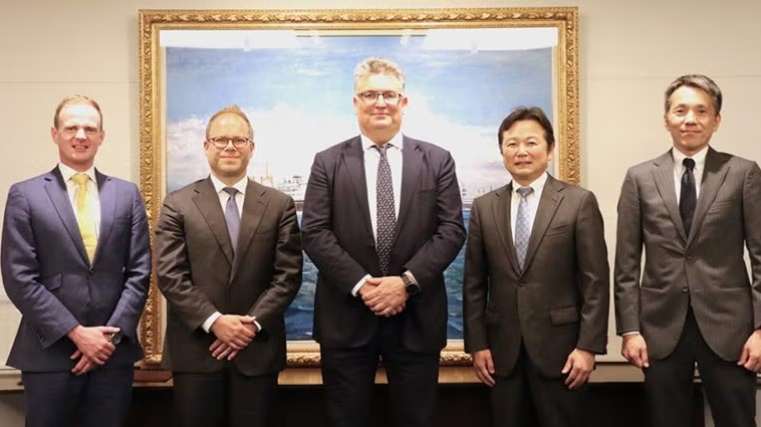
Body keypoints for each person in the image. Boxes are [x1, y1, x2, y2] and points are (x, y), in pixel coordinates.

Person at [301, 57, 466, 427]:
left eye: (389, 94)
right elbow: (314, 231)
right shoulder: (327, 162)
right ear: (355, 102)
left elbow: (452, 230)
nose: (380, 102)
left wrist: (405, 283)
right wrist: (364, 286)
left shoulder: (438, 160)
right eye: (370, 94)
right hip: (345, 321)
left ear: (403, 102)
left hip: (417, 320)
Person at [615, 74, 761, 427]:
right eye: (680, 111)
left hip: (732, 329)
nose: (690, 119)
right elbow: (626, 264)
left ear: (716, 120)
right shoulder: (639, 178)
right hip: (660, 329)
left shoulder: (743, 173)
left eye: (701, 111)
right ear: (666, 119)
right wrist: (630, 330)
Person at [0, 95, 151, 427]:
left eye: (89, 128)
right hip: (49, 354)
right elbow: (18, 277)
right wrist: (76, 333)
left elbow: (140, 272)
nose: (81, 135)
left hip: (112, 356)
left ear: (101, 136)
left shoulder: (127, 194)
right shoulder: (25, 195)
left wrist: (107, 341)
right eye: (71, 128)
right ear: (55, 134)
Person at [155, 105, 302, 427]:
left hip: (257, 351)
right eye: (221, 140)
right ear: (206, 146)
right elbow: (170, 275)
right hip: (196, 353)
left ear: (251, 146)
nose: (230, 147)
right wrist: (215, 322)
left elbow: (288, 276)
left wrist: (249, 327)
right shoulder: (177, 203)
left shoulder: (279, 205)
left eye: (239, 140)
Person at [463, 106, 609, 427]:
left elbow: (595, 283)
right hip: (502, 354)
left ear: (550, 149)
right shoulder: (484, 208)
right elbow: (474, 283)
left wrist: (588, 347)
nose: (521, 151)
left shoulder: (578, 202)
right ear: (502, 150)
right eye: (512, 144)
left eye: (531, 142)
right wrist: (477, 344)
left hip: (563, 353)